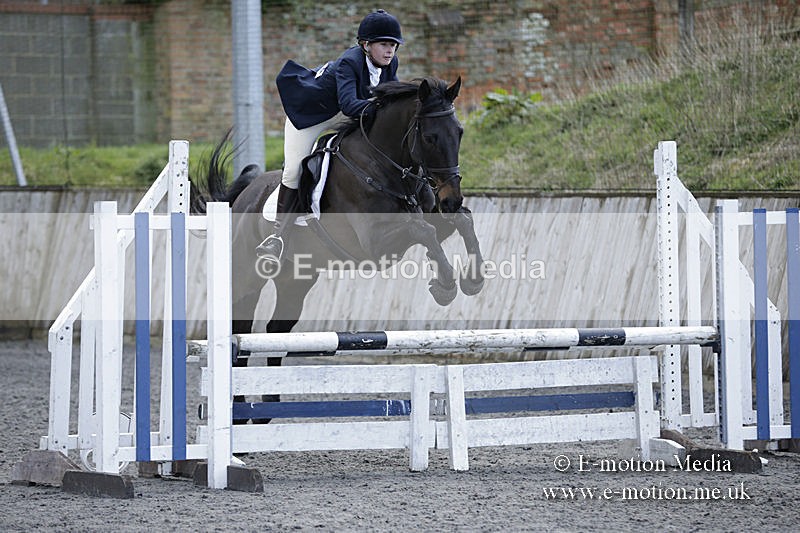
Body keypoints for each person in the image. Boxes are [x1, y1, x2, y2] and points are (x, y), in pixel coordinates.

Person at [256, 9, 404, 264]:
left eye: (393, 45)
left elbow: (391, 96)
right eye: (383, 44)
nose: (389, 50)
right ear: (366, 45)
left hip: (344, 112)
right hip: (311, 116)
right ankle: (277, 237)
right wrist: (383, 107)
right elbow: (349, 104)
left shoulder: (391, 63)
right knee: (293, 170)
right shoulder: (350, 61)